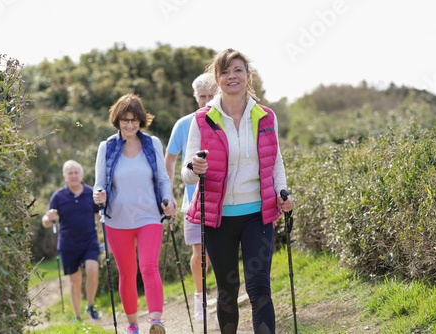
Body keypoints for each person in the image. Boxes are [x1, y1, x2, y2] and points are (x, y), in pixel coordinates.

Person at [181, 49, 295, 334]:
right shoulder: (202, 119)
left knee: (259, 288)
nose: (232, 76)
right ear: (217, 79)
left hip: (257, 214)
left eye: (238, 70)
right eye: (225, 71)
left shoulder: (266, 116)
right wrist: (195, 168)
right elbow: (186, 175)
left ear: (248, 76)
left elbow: (275, 161)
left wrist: (282, 192)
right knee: (228, 292)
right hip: (219, 218)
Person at [93, 93, 175, 334]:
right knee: (127, 273)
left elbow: (163, 178)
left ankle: (156, 321)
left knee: (149, 266)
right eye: (125, 120)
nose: (130, 125)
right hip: (117, 220)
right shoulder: (106, 147)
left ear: (141, 121)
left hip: (149, 215)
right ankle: (132, 325)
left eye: (135, 120)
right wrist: (98, 194)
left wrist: (167, 200)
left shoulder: (153, 144)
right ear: (117, 120)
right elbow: (99, 182)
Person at [164, 72, 217, 324]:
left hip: (223, 200)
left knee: (220, 254)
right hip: (193, 201)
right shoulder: (184, 123)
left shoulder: (226, 120)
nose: (206, 100)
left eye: (211, 95)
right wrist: (168, 194)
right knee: (199, 253)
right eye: (202, 97)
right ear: (196, 97)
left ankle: (223, 299)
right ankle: (201, 299)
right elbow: (171, 157)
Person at [42, 160, 101, 322]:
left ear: (81, 175)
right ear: (65, 176)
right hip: (68, 244)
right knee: (75, 281)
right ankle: (77, 316)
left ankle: (90, 305)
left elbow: (100, 217)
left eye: (76, 173)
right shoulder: (58, 196)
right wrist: (49, 217)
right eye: (70, 173)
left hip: (89, 241)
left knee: (93, 271)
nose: (73, 176)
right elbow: (46, 222)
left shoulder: (91, 193)